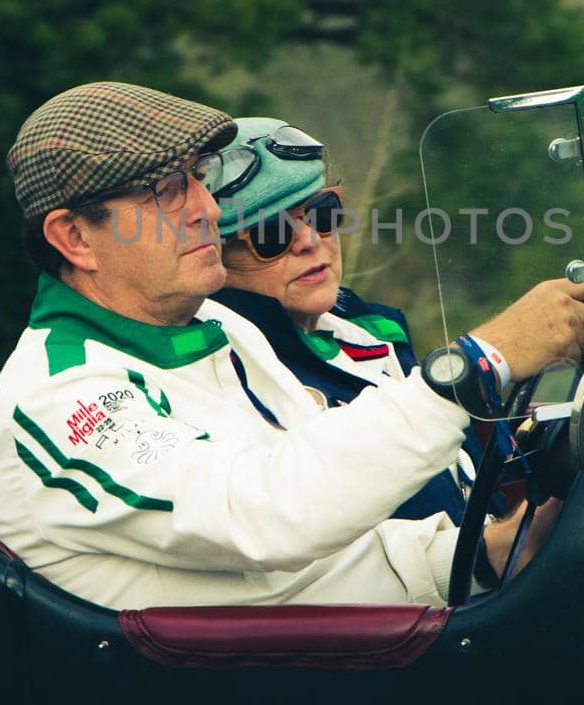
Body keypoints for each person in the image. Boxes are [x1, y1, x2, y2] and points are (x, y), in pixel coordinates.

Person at [0, 81, 584, 610]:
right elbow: (269, 516)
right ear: (75, 239)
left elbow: (328, 552)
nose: (208, 211)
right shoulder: (61, 399)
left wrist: (488, 555)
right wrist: (474, 365)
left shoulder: (222, 329)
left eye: (197, 179)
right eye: (165, 191)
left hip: (346, 669)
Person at [207, 116, 505, 524]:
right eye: (271, 233)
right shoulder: (230, 372)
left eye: (323, 213)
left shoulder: (374, 330)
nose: (311, 241)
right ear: (213, 257)